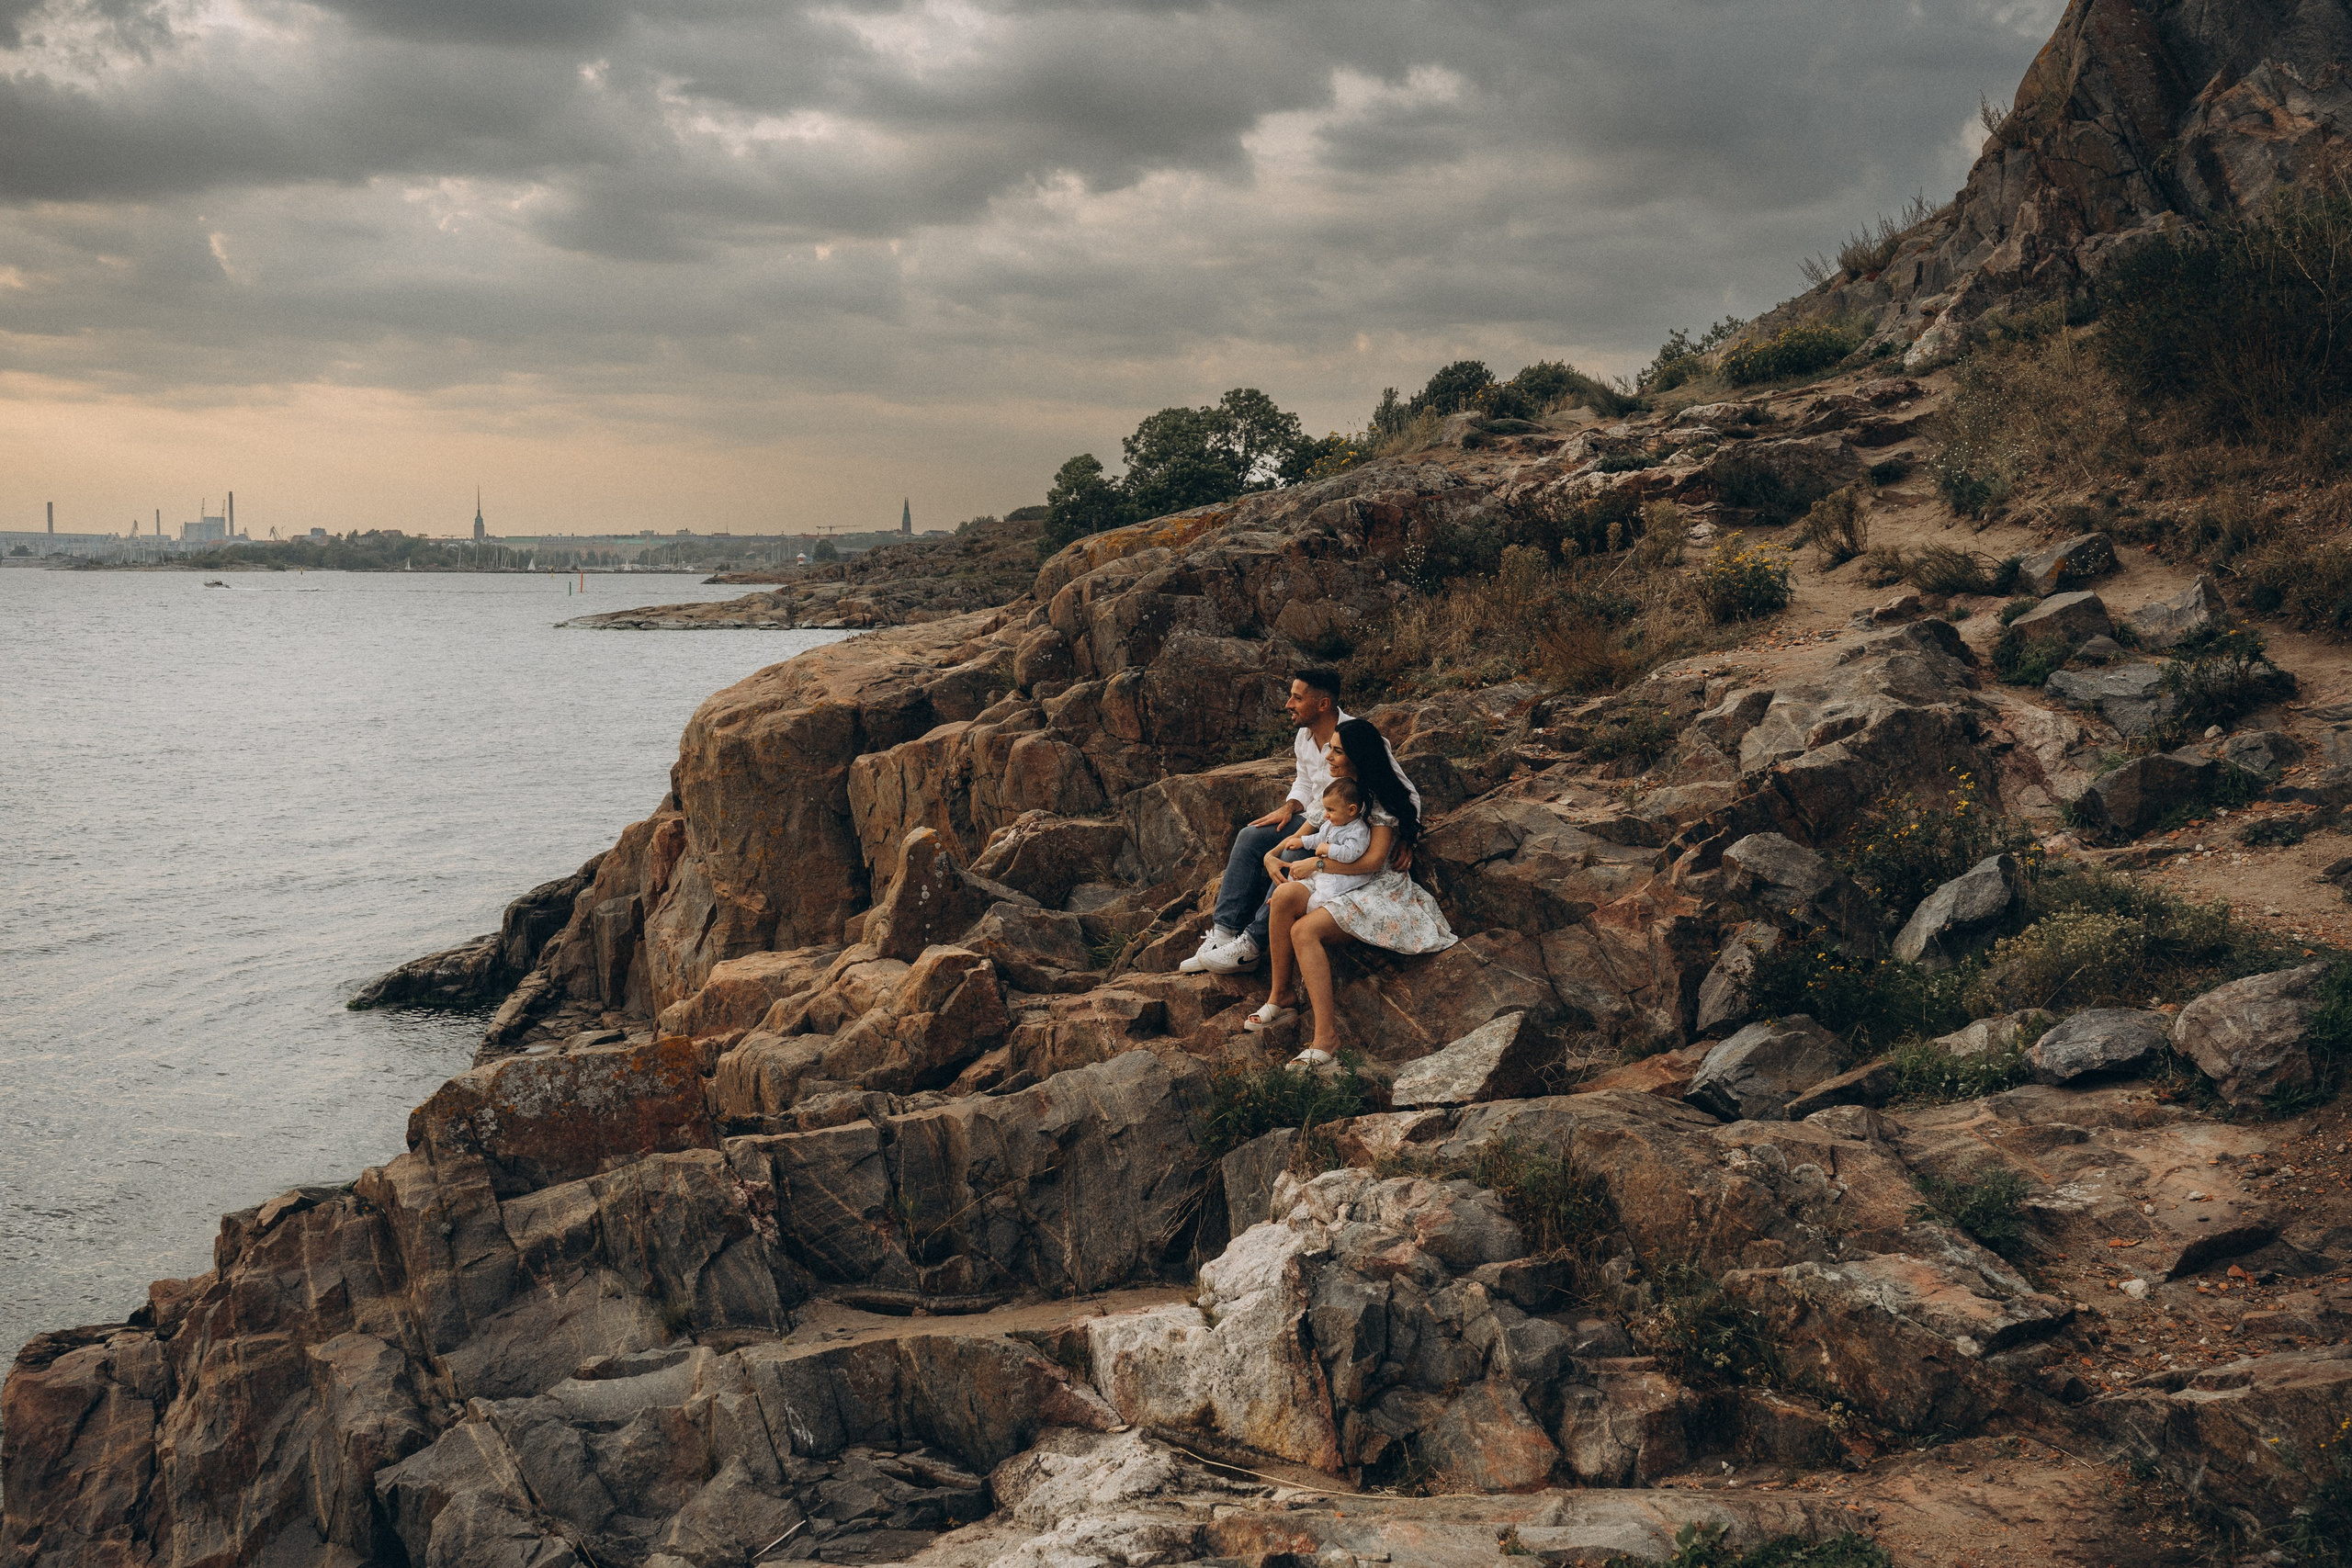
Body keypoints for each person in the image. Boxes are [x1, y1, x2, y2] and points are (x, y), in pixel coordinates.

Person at [1239, 717, 1458, 1064]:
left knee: (1304, 930)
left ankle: (1326, 1039)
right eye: (1330, 748)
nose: (1328, 756)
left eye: (1337, 751)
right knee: (1282, 896)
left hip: (1374, 886)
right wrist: (1270, 856)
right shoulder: (1341, 791)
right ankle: (1281, 997)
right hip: (1338, 880)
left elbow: (1372, 863)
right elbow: (1305, 831)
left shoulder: (1376, 799)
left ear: (1358, 756)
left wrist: (1317, 864)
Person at [1180, 667, 1420, 976]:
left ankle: (1252, 944)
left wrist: (1407, 840)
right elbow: (1305, 782)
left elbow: (1405, 794)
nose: (1288, 704)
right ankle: (1224, 935)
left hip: (1343, 831)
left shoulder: (1356, 737)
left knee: (1293, 855)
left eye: (1296, 697)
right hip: (1316, 818)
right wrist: (1291, 805)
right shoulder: (1303, 738)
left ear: (1322, 704)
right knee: (1250, 836)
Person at [1290, 780, 1374, 910]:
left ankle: (1309, 913)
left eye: (1331, 810)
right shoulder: (1332, 823)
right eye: (1325, 809)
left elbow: (1350, 853)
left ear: (1351, 810)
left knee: (1323, 894)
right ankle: (1287, 899)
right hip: (1327, 868)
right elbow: (1320, 838)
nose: (1326, 814)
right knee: (1295, 872)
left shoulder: (1358, 830)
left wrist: (1328, 849)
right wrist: (1302, 841)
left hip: (1345, 874)